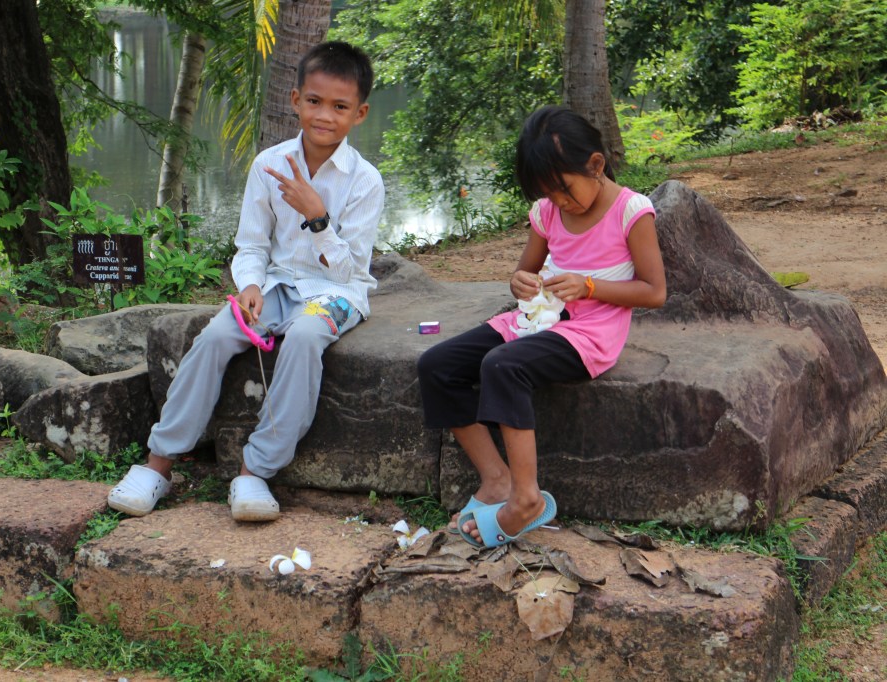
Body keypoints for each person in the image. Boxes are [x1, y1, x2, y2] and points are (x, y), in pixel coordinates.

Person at [108, 41, 384, 521]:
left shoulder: (365, 181)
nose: (324, 115)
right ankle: (158, 465)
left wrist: (317, 217)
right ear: (295, 100)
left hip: (336, 293)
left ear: (359, 113)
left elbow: (350, 270)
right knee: (216, 335)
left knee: (304, 337)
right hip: (275, 286)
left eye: (340, 107)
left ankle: (254, 472)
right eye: (314, 101)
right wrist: (251, 285)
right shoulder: (269, 165)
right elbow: (252, 245)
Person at [416, 105, 666, 548]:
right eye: (549, 193)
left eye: (564, 190)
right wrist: (520, 281)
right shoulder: (547, 212)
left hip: (590, 333)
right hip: (538, 320)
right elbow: (525, 273)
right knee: (437, 364)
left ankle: (526, 499)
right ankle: (496, 479)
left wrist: (589, 286)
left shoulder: (631, 211)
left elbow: (654, 292)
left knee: (502, 366)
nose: (560, 202)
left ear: (596, 165)